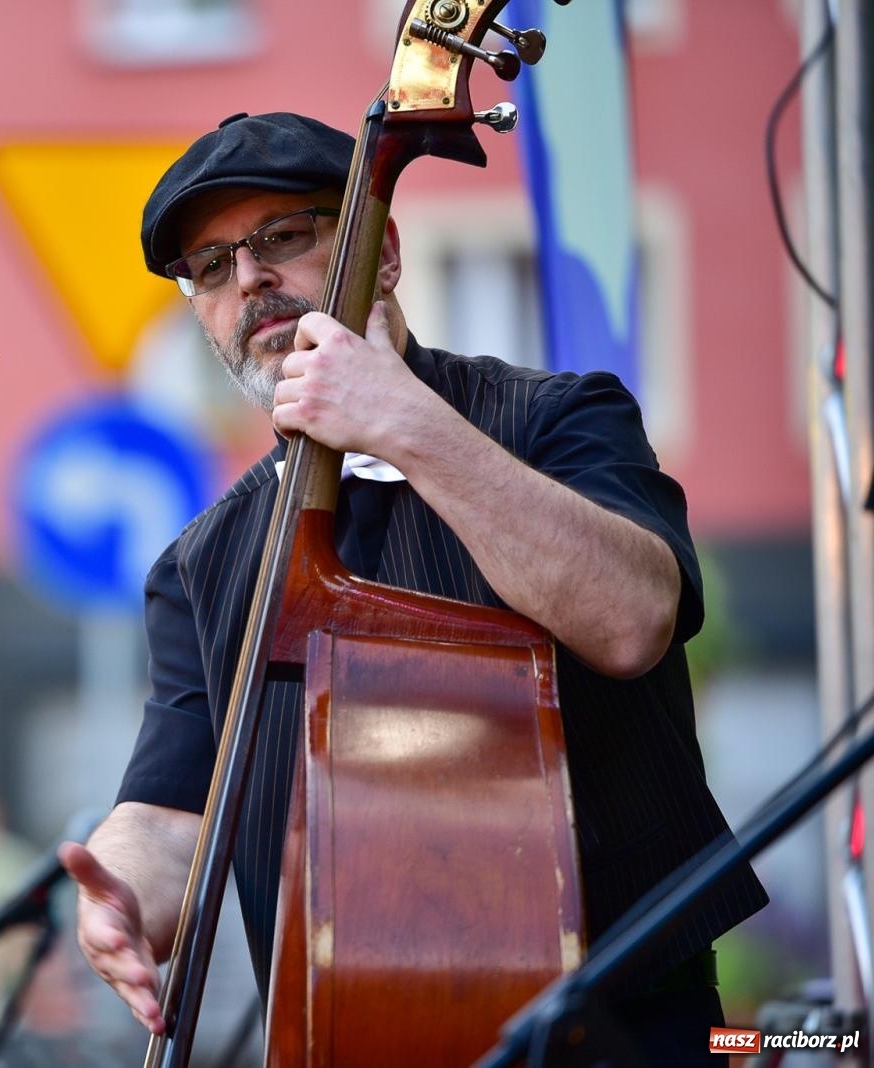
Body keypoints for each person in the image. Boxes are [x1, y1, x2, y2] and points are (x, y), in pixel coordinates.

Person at [57, 112, 768, 1063]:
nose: (249, 279)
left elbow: (632, 620)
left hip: (632, 1032)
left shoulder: (560, 419)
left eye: (282, 237)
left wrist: (403, 422)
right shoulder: (201, 563)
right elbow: (170, 812)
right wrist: (120, 890)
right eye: (212, 266)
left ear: (382, 251)